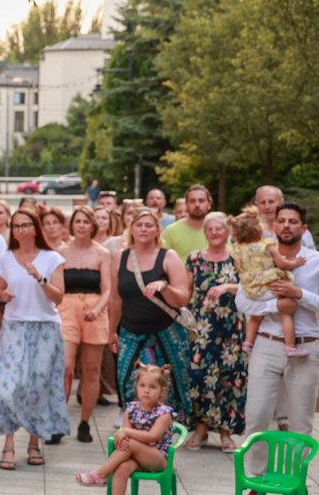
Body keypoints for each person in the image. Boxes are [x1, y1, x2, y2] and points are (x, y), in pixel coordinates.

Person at [236, 202, 319, 478]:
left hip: (305, 346)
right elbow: (242, 301)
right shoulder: (260, 254)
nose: (286, 225)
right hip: (266, 343)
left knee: (300, 422)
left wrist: (298, 294)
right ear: (274, 226)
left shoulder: (315, 262)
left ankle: (294, 482)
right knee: (257, 415)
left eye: (292, 221)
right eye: (281, 221)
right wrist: (275, 307)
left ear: (303, 228)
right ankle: (256, 480)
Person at [0, 207, 68, 470]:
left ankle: (34, 442)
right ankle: (8, 443)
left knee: (38, 388)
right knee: (9, 387)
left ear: (35, 229)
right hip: (14, 327)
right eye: (16, 226)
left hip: (45, 328)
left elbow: (58, 297)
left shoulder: (51, 257)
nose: (20, 230)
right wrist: (2, 297)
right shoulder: (5, 259)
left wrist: (40, 278)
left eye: (25, 225)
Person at [110, 208, 193, 422]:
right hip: (131, 332)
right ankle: (135, 426)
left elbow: (182, 298)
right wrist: (111, 331)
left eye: (149, 225)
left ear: (157, 229)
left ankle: (163, 429)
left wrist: (164, 287)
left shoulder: (168, 256)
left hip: (164, 332)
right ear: (131, 228)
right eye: (139, 225)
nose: (144, 229)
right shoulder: (121, 257)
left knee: (165, 387)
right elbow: (116, 299)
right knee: (129, 382)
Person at [183, 212, 246, 453]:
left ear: (228, 231)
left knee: (229, 378)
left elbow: (253, 287)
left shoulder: (238, 257)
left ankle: (225, 432)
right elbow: (186, 293)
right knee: (200, 378)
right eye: (210, 228)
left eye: (220, 228)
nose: (215, 232)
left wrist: (230, 287)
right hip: (202, 329)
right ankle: (201, 429)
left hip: (232, 328)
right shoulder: (194, 259)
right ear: (205, 232)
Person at [74, 363, 175, 491]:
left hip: (157, 458)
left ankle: (100, 474)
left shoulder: (164, 413)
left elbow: (152, 437)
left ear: (162, 390)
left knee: (130, 442)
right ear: (136, 387)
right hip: (134, 455)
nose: (146, 390)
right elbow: (125, 438)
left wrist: (126, 432)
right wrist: (123, 435)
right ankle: (104, 476)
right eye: (142, 385)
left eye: (153, 387)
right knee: (122, 469)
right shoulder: (131, 409)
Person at [58, 206, 111, 443]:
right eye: (77, 221)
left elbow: (108, 288)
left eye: (85, 222)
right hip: (67, 308)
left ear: (93, 226)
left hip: (94, 308)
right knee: (66, 366)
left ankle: (84, 422)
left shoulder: (102, 253)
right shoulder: (61, 251)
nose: (81, 226)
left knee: (92, 370)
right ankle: (57, 419)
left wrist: (98, 309)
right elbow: (57, 287)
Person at [229, 206, 307, 357]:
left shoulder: (238, 248)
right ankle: (290, 347)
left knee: (255, 316)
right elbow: (283, 264)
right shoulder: (267, 244)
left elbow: (239, 267)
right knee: (286, 312)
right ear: (258, 228)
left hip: (251, 288)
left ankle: (248, 342)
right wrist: (295, 263)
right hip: (269, 286)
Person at [161, 184, 211, 261]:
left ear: (209, 204)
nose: (197, 205)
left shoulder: (219, 231)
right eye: (192, 201)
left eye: (201, 201)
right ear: (186, 204)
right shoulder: (170, 232)